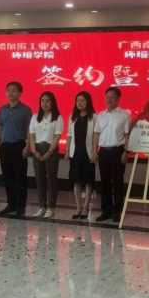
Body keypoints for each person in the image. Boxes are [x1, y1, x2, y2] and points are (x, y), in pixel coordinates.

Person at [92, 87, 131, 222]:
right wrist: (95, 151)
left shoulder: (124, 115)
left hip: (118, 151)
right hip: (103, 151)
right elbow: (97, 134)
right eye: (107, 97)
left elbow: (127, 135)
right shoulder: (101, 115)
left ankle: (117, 211)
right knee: (105, 182)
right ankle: (106, 211)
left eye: (112, 97)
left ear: (118, 98)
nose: (109, 99)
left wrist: (126, 151)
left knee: (118, 182)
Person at [0, 81, 32, 216]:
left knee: (20, 177)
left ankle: (21, 205)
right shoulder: (2, 109)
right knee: (7, 177)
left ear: (20, 93)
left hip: (19, 146)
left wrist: (28, 146)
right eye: (8, 90)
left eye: (14, 90)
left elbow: (29, 129)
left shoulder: (25, 110)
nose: (10, 93)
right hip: (5, 146)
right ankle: (11, 204)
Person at [29, 91, 64, 219]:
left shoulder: (57, 117)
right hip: (37, 149)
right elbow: (32, 136)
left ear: (52, 102)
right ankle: (42, 206)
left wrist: (49, 152)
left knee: (51, 179)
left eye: (48, 101)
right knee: (39, 179)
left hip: (51, 149)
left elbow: (57, 137)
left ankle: (51, 207)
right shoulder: (35, 117)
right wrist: (34, 151)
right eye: (42, 101)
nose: (45, 103)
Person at [65, 91, 97, 220]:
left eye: (82, 100)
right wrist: (67, 149)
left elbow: (96, 136)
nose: (79, 103)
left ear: (88, 102)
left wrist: (95, 151)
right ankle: (78, 207)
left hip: (88, 153)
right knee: (76, 180)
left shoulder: (94, 117)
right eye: (77, 100)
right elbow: (69, 135)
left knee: (88, 181)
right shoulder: (73, 117)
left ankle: (86, 207)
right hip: (75, 152)